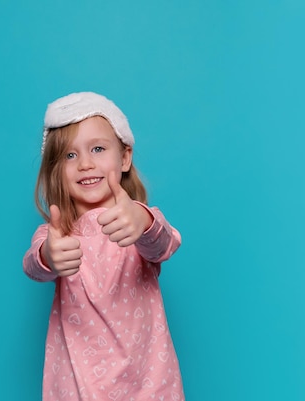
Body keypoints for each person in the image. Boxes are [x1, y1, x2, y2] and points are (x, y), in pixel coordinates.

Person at [23, 92, 184, 401]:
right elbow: (33, 265)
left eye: (97, 149)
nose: (85, 163)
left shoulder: (138, 222)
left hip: (147, 384)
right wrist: (49, 257)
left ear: (125, 157)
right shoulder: (56, 234)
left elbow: (165, 244)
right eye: (70, 155)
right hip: (79, 387)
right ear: (56, 168)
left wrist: (142, 221)